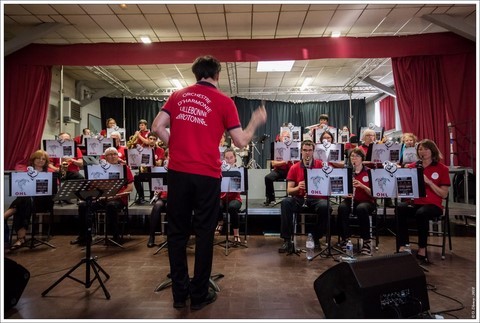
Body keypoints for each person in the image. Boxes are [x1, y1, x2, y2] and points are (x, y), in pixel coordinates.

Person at [151, 55, 266, 310]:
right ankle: (199, 294)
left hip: (178, 172)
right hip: (206, 175)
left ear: (195, 74)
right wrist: (255, 122)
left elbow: (157, 126)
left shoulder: (177, 95)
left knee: (177, 232)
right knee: (204, 233)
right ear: (217, 75)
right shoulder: (224, 101)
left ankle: (179, 295)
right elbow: (240, 142)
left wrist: (177, 145)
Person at [396, 139, 450, 262]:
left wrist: (429, 182)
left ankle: (422, 248)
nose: (423, 152)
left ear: (432, 151)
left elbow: (444, 194)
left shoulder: (442, 168)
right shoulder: (412, 167)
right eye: (420, 149)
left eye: (426, 149)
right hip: (415, 203)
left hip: (433, 205)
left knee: (422, 213)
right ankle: (403, 246)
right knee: (400, 207)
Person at [70, 147, 134, 246]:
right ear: (105, 157)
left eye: (115, 154)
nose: (112, 156)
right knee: (83, 206)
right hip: (100, 198)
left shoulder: (124, 168)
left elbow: (130, 188)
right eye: (109, 154)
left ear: (118, 156)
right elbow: (91, 186)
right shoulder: (98, 169)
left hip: (118, 198)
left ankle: (115, 236)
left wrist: (115, 196)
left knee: (111, 205)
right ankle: (84, 237)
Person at [278, 139, 330, 253]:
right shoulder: (294, 167)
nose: (307, 153)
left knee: (326, 206)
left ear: (313, 151)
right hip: (300, 198)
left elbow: (327, 186)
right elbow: (289, 190)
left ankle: (316, 238)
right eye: (305, 150)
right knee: (286, 203)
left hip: (316, 198)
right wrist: (298, 188)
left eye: (310, 150)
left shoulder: (321, 166)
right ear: (301, 151)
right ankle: (287, 241)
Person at [5, 150, 56, 250]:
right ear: (33, 160)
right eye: (38, 158)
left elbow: (53, 191)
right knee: (25, 200)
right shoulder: (26, 172)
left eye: (43, 159)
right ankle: (21, 238)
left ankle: (5, 216)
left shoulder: (51, 173)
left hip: (43, 201)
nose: (41, 160)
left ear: (46, 162)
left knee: (24, 201)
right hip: (27, 202)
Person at [336, 148, 376, 256]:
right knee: (342, 208)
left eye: (357, 156)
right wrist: (344, 194)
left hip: (367, 201)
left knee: (361, 208)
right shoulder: (347, 172)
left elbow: (374, 193)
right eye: (352, 156)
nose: (354, 158)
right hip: (351, 199)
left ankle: (366, 241)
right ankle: (345, 238)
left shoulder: (369, 172)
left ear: (362, 159)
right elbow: (340, 188)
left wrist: (362, 186)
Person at [215, 148, 243, 244]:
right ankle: (220, 221)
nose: (229, 160)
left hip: (235, 198)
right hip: (222, 197)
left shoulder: (239, 170)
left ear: (235, 158)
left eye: (231, 158)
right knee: (216, 204)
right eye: (226, 158)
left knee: (232, 207)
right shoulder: (220, 170)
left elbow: (242, 188)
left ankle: (236, 234)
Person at [264, 129, 295, 206]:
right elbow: (273, 163)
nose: (286, 138)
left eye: (288, 137)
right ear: (280, 138)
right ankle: (270, 198)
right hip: (279, 170)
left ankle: (293, 198)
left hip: (291, 170)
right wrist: (284, 162)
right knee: (268, 178)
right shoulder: (275, 147)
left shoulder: (293, 147)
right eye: (285, 137)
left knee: (295, 177)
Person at [133, 132, 166, 205]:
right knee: (136, 177)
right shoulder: (142, 149)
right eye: (150, 139)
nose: (152, 141)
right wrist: (142, 165)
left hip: (155, 172)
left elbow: (159, 163)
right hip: (145, 171)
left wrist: (150, 159)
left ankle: (152, 197)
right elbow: (138, 160)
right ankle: (141, 197)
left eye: (154, 139)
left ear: (156, 140)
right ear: (147, 139)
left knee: (152, 176)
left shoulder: (160, 150)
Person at [147, 149, 169, 248]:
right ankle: (151, 236)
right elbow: (156, 186)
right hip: (164, 196)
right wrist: (157, 189)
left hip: (176, 197)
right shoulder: (160, 170)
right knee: (157, 206)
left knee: (171, 206)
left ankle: (171, 237)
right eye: (169, 156)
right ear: (166, 157)